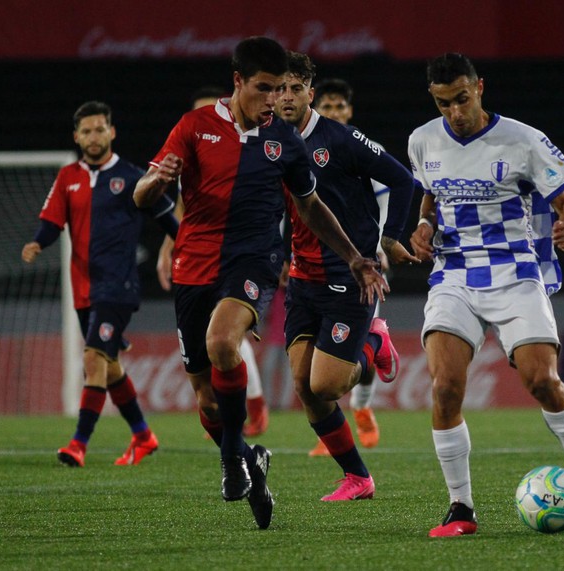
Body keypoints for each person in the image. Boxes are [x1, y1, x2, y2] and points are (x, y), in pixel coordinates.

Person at [133, 37, 386, 528]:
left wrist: (355, 257)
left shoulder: (284, 140)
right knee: (207, 400)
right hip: (193, 265)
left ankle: (231, 458)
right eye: (264, 88)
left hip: (252, 262)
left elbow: (311, 206)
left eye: (279, 89)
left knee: (222, 342)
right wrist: (157, 182)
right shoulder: (194, 126)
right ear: (238, 82)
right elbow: (142, 197)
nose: (273, 99)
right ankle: (250, 461)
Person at [408, 53, 564, 537]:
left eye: (462, 99)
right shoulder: (422, 139)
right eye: (444, 103)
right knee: (444, 388)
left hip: (516, 274)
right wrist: (424, 224)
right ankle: (460, 508)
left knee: (542, 381)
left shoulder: (524, 140)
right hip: (454, 276)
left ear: (480, 88)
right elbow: (428, 194)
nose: (455, 112)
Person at [274, 51, 417, 500]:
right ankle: (358, 477)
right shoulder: (268, 142)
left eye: (296, 88)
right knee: (304, 387)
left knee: (326, 385)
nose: (287, 96)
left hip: (348, 276)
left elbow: (404, 180)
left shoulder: (341, 138)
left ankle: (374, 343)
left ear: (310, 94)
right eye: (279, 89)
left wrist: (391, 239)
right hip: (302, 279)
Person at [22, 101, 178, 468]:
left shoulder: (133, 177)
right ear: (77, 137)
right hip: (83, 289)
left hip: (118, 287)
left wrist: (191, 247)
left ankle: (78, 444)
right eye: (86, 131)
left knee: (93, 359)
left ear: (112, 132)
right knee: (108, 365)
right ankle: (143, 434)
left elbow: (167, 219)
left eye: (99, 129)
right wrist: (37, 243)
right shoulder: (68, 177)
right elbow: (52, 222)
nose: (94, 136)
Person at [157, 86, 270, 437]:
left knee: (225, 336)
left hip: (243, 256)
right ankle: (229, 423)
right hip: (198, 259)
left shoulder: (250, 149)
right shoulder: (188, 148)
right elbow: (182, 208)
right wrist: (167, 248)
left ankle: (252, 410)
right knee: (213, 351)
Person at [307, 77, 389, 456]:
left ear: (350, 110)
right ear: (316, 108)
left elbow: (385, 200)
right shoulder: (304, 148)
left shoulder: (364, 149)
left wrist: (382, 245)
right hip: (316, 265)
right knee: (321, 351)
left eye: (340, 106)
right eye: (327, 106)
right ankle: (332, 429)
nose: (334, 112)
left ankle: (362, 407)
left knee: (355, 345)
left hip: (362, 264)